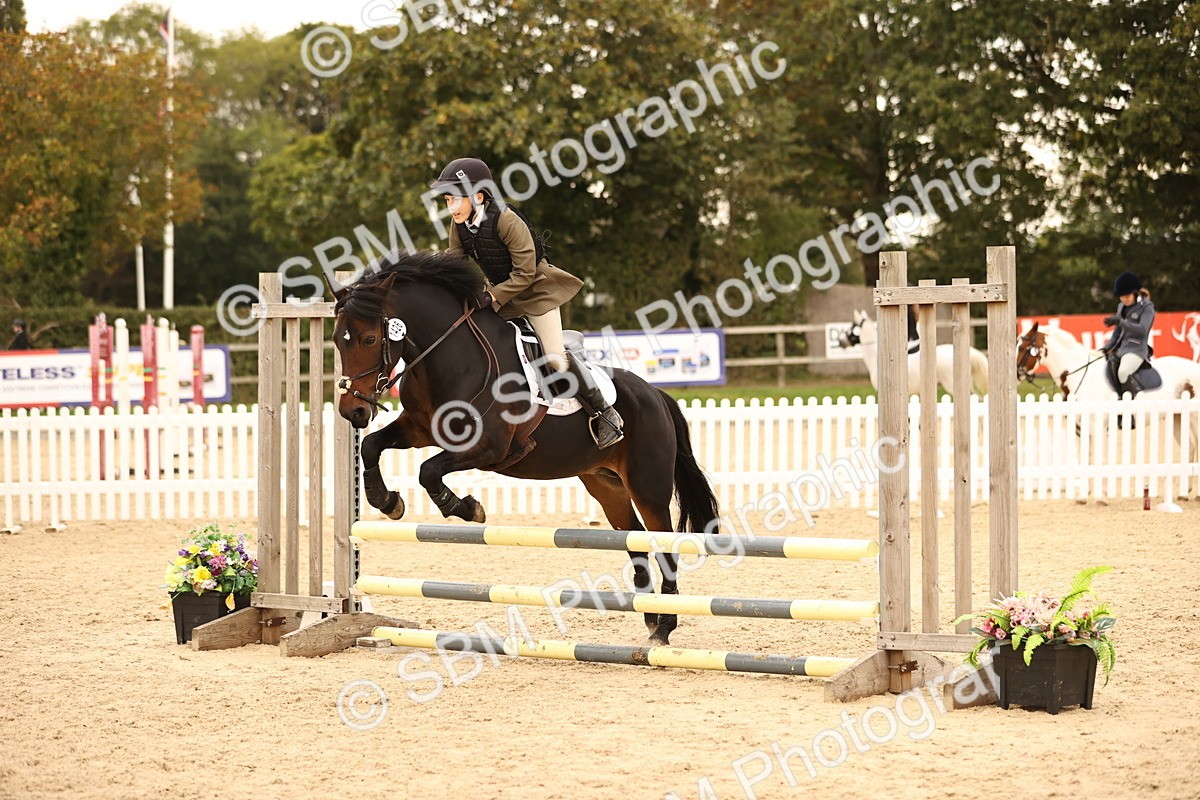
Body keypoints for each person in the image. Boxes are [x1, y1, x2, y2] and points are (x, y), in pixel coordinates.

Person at [430, 157, 624, 448]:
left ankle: (605, 413)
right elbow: (455, 262)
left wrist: (491, 296)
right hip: (502, 297)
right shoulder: (459, 226)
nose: (451, 208)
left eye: (455, 200)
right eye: (447, 200)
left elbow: (525, 273)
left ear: (478, 196)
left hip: (536, 293)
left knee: (556, 360)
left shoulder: (506, 220)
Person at [1099, 271, 1155, 398]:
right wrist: (1106, 348)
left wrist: (1121, 322)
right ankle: (1119, 398)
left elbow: (1142, 330)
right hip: (1121, 350)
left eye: (1127, 296)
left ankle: (1130, 407)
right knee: (1108, 368)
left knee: (1123, 372)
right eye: (1121, 297)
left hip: (1137, 349)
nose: (1124, 299)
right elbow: (1117, 333)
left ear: (1135, 293)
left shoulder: (1146, 307)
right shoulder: (1121, 307)